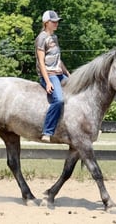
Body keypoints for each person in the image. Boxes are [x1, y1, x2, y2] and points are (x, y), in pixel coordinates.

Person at [35, 10, 70, 142]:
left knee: (78, 91)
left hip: (59, 74)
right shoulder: (41, 38)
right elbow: (41, 62)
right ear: (46, 23)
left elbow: (57, 59)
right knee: (59, 100)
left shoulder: (54, 38)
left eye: (57, 21)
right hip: (49, 75)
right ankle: (47, 131)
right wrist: (47, 81)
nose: (56, 24)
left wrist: (67, 74)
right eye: (53, 21)